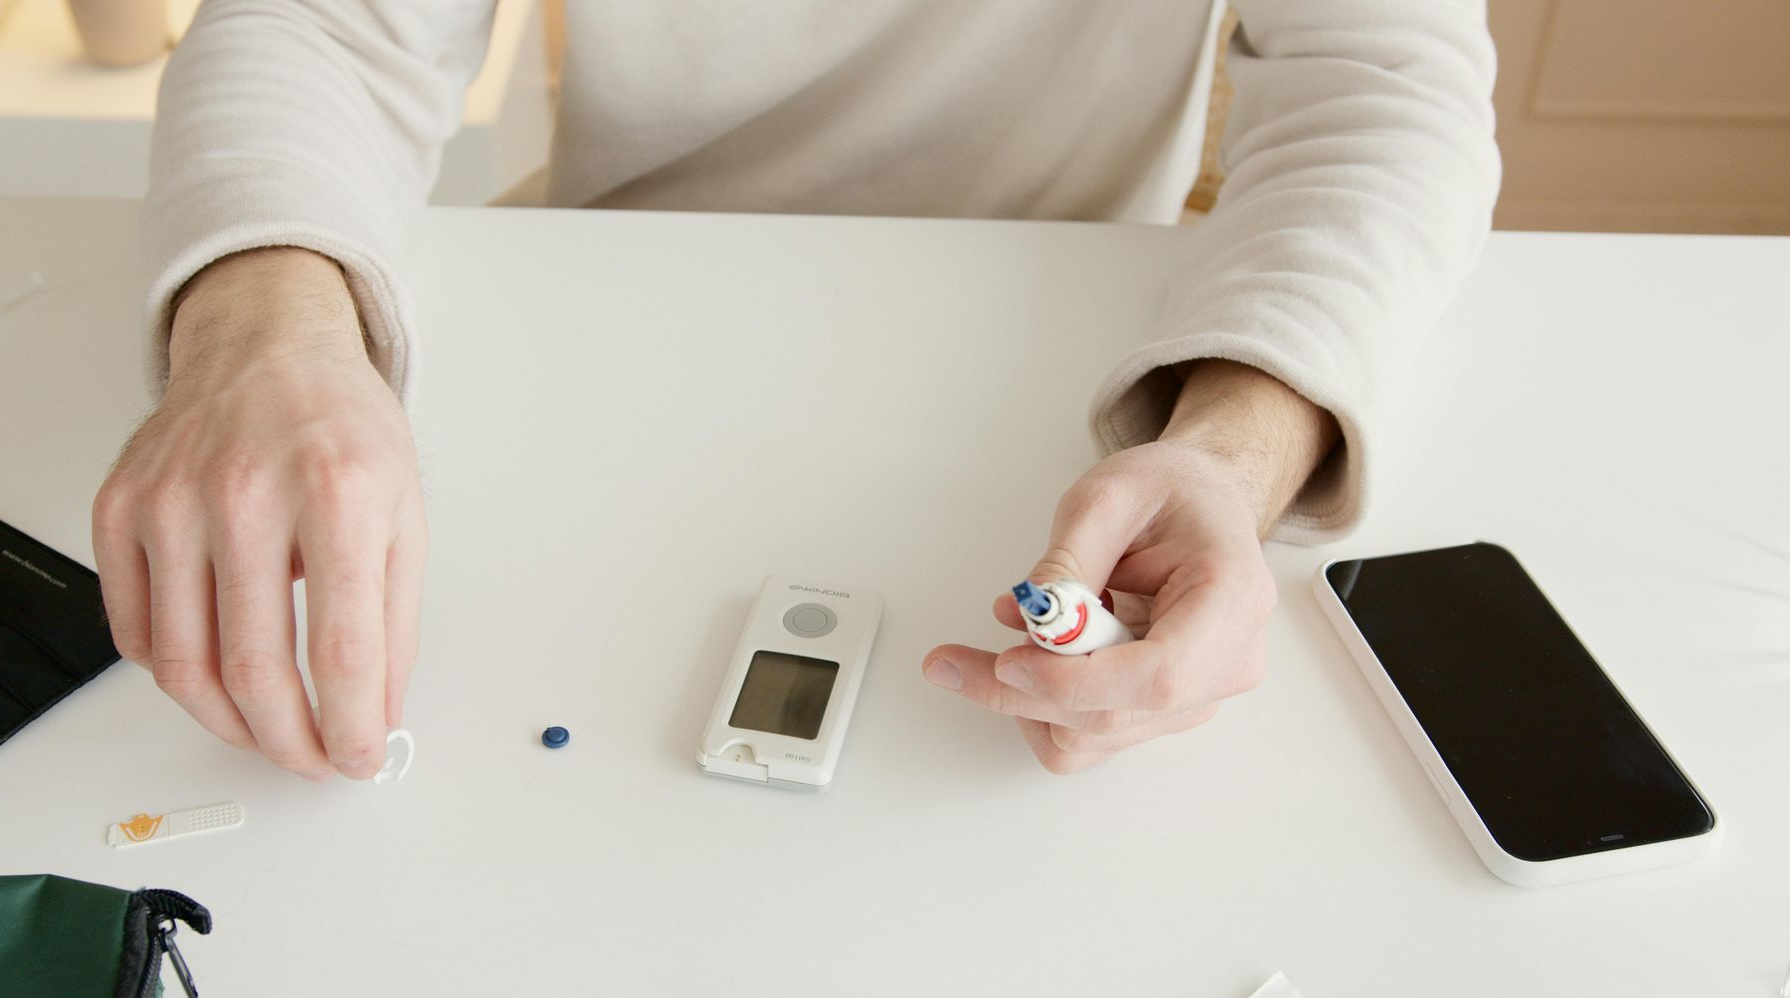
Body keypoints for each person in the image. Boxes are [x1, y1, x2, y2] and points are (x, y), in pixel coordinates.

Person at [94, 1, 1500, 781]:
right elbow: (323, 25)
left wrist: (1236, 446)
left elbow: (1383, 82)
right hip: (612, 323)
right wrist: (265, 330)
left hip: (1060, 354)